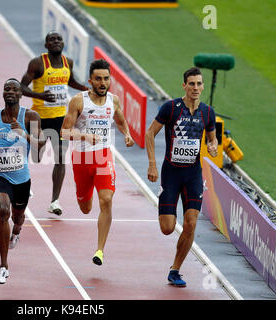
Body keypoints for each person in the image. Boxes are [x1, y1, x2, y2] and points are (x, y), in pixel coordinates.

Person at [145, 67, 218, 287]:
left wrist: (213, 147)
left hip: (193, 174)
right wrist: (152, 165)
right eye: (191, 84)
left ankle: (175, 270)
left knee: (191, 223)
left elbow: (212, 140)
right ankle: (175, 257)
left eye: (199, 84)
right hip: (171, 173)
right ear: (184, 86)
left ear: (203, 86)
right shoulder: (171, 108)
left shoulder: (207, 112)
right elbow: (150, 133)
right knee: (167, 228)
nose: (196, 88)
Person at [61, 59, 134, 266]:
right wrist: (84, 136)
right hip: (82, 159)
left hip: (103, 156)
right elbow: (64, 132)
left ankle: (100, 250)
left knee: (106, 200)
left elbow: (120, 121)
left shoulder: (114, 101)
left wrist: (127, 134)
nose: (103, 83)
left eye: (106, 79)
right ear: (90, 80)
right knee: (85, 207)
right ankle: (84, 194)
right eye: (98, 79)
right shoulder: (78, 101)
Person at [0, 79, 46, 284]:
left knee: (18, 217)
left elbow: (42, 143)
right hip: (0, 175)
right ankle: (3, 266)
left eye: (15, 89)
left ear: (21, 94)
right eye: (7, 89)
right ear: (3, 93)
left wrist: (24, 134)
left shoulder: (30, 116)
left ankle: (17, 230)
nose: (10, 92)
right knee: (4, 210)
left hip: (22, 179)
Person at [20, 31, 88, 216]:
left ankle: (54, 201)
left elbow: (71, 81)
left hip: (60, 118)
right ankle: (23, 185)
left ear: (63, 43)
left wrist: (86, 89)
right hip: (39, 118)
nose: (56, 42)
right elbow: (21, 87)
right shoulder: (37, 63)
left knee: (60, 157)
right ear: (46, 45)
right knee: (35, 156)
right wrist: (39, 95)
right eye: (52, 40)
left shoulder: (68, 63)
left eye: (59, 39)